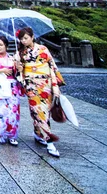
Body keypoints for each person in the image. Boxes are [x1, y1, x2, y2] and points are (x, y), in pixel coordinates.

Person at [14, 27, 64, 157]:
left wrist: (55, 86)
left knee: (43, 111)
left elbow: (52, 67)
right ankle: (50, 142)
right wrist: (18, 68)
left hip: (46, 84)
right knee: (39, 111)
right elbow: (18, 73)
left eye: (26, 38)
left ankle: (38, 133)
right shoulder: (20, 53)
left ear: (32, 36)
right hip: (31, 86)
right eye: (21, 39)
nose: (23, 41)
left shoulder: (43, 49)